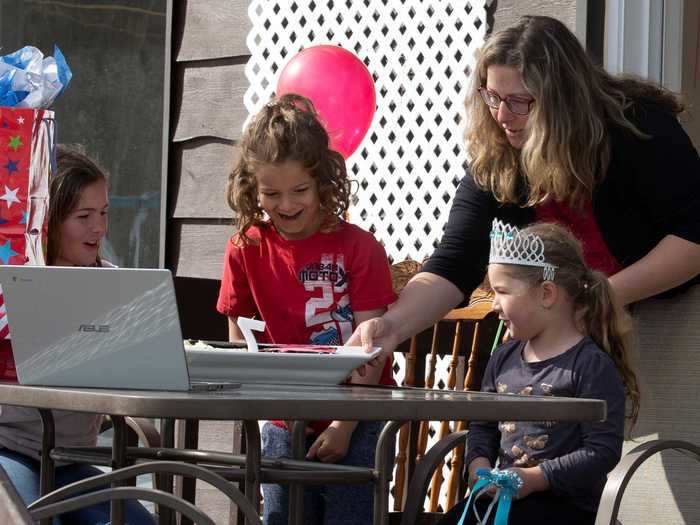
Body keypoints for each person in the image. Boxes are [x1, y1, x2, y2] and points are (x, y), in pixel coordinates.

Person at [350, 14, 700, 364]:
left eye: (519, 101)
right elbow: (456, 260)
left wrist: (598, 297)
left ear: (564, 99)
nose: (502, 116)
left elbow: (693, 234)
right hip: (565, 337)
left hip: (662, 331)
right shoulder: (499, 155)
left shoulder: (638, 127)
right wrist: (392, 326)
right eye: (492, 96)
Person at [216, 93, 396, 525]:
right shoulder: (245, 248)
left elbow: (373, 346)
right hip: (283, 416)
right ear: (250, 188)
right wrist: (260, 403)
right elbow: (238, 335)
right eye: (271, 193)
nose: (287, 205)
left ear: (323, 182)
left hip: (358, 414)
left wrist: (343, 425)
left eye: (299, 190)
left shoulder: (360, 247)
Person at [437, 220, 639, 525]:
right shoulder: (503, 358)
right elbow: (483, 424)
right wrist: (479, 465)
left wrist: (534, 478)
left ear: (546, 294)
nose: (493, 304)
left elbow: (601, 450)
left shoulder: (590, 365)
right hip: (504, 501)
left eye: (501, 291)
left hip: (567, 508)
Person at [0, 146, 154, 524]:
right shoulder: (13, 280)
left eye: (103, 213)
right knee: (27, 518)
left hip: (73, 459)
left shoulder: (113, 283)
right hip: (10, 451)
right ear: (47, 221)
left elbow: (137, 371)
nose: (99, 228)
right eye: (83, 216)